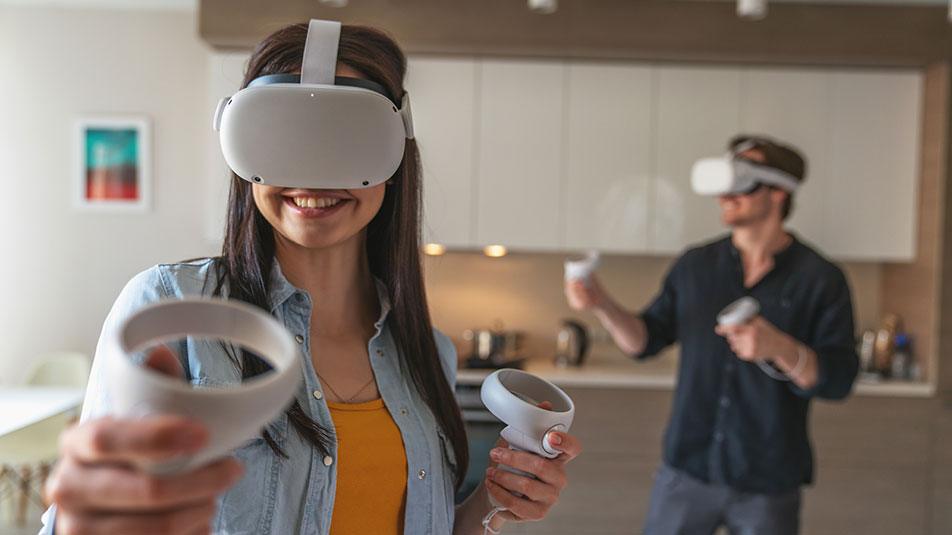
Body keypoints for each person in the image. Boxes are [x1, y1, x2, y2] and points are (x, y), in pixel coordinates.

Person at [41, 22, 580, 535]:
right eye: (283, 137)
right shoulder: (170, 311)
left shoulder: (425, 351)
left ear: (395, 151)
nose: (312, 176)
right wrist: (84, 517)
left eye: (348, 138)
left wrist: (494, 503)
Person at [566, 135, 858, 534]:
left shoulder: (820, 279)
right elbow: (644, 340)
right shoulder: (696, 265)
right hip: (686, 471)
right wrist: (601, 302)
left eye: (742, 181)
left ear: (778, 192)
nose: (725, 195)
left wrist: (780, 348)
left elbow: (838, 380)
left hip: (768, 482)